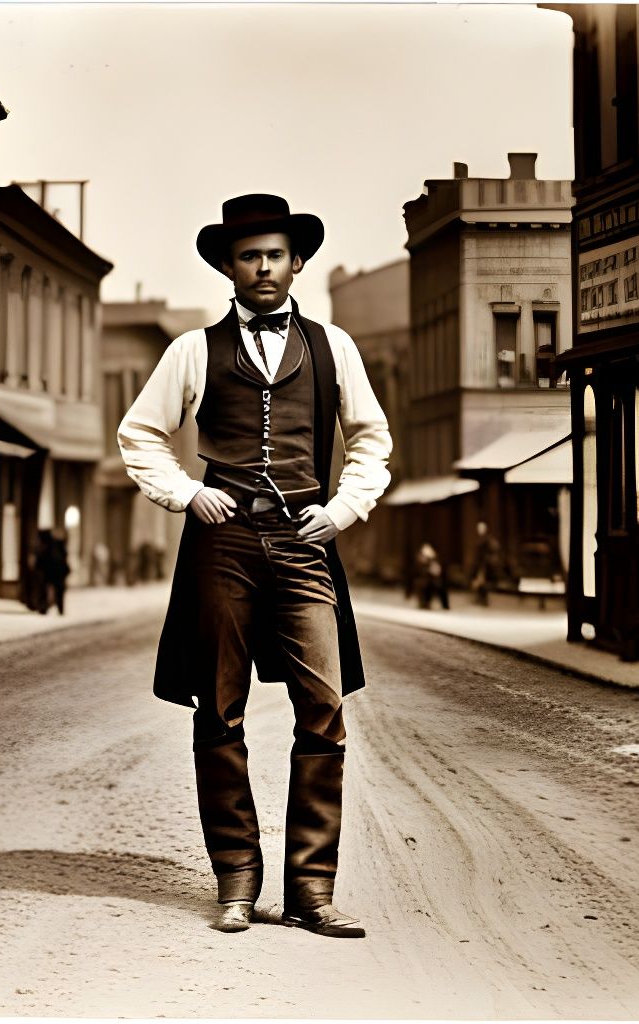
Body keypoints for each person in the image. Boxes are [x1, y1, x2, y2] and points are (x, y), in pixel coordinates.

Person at [118, 194, 392, 939]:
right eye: (249, 256)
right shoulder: (191, 351)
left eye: (275, 254)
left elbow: (371, 439)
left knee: (326, 709)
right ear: (228, 267)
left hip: (306, 541)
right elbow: (139, 433)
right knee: (219, 707)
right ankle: (236, 880)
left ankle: (311, 890)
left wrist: (340, 512)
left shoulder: (335, 346)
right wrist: (186, 493)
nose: (263, 267)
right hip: (223, 543)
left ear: (296, 262)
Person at [471, 520, 502, 607]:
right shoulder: (480, 539)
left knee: (482, 581)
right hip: (480, 564)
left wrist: (487, 562)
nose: (480, 530)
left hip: (485, 564)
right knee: (480, 581)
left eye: (481, 528)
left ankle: (483, 600)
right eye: (479, 528)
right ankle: (481, 599)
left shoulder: (487, 539)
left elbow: (492, 550)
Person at [412, 542, 449, 610]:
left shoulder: (435, 559)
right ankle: (424, 603)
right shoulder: (420, 559)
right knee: (424, 584)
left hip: (433, 580)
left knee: (440, 586)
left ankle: (445, 605)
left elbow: (439, 570)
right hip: (425, 581)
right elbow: (418, 572)